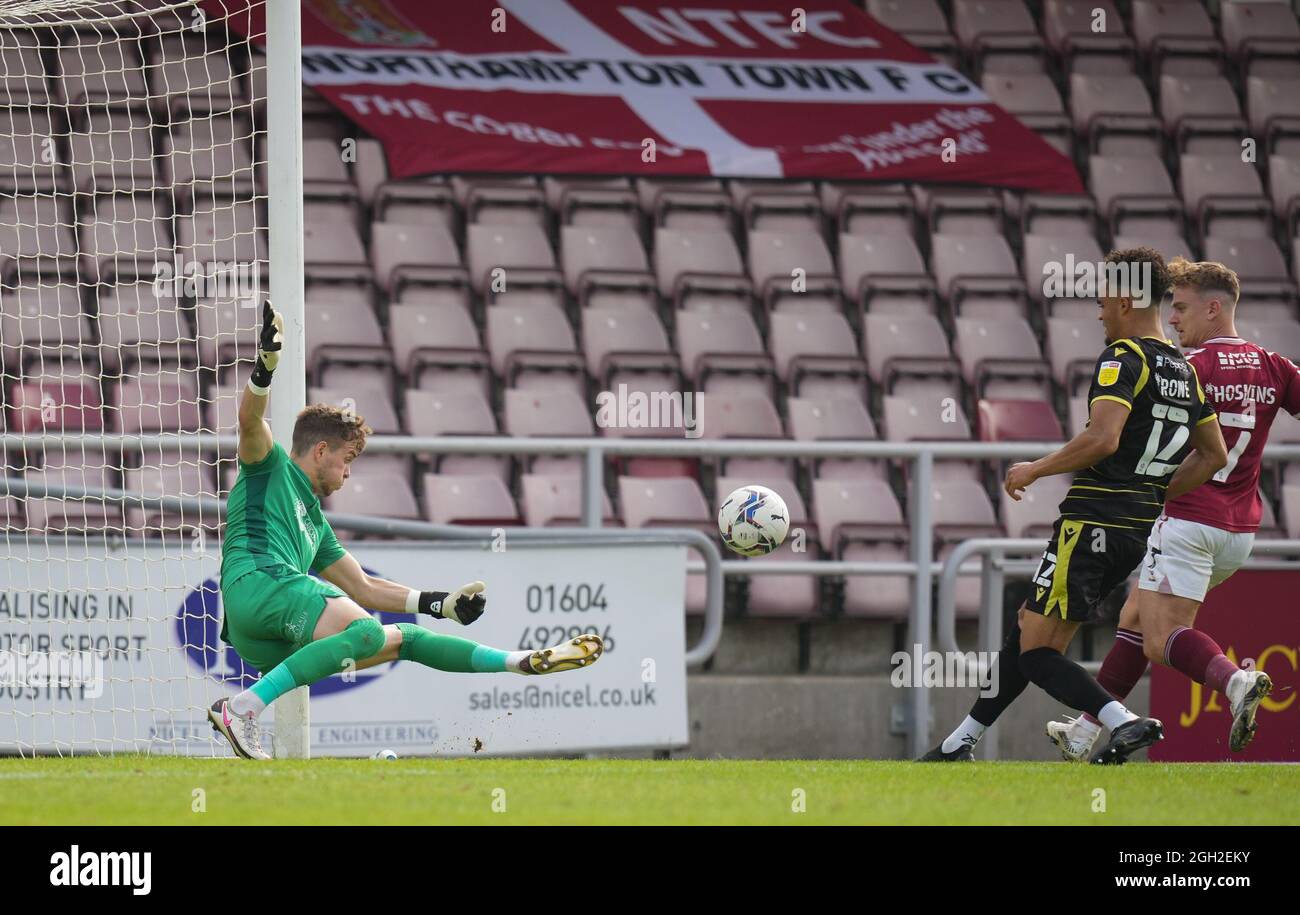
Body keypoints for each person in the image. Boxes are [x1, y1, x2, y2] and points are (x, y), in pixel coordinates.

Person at [209, 303, 602, 760]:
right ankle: (241, 708)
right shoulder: (270, 467)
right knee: (367, 633)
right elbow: (250, 422)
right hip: (256, 586)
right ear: (320, 451)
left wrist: (439, 604)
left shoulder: (315, 525)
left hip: (260, 637)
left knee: (402, 640)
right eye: (347, 460)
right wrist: (265, 369)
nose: (348, 474)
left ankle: (518, 662)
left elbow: (365, 586)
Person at [920, 247, 1226, 764]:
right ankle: (959, 743)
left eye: (1105, 298)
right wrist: (1150, 492)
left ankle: (1123, 722)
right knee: (1029, 630)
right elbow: (1214, 455)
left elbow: (1103, 438)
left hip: (1090, 523)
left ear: (1127, 298)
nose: (1100, 310)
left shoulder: (1123, 358)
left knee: (1039, 651)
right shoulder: (1183, 369)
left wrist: (1034, 469)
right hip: (1132, 530)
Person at [1047, 258, 1286, 760]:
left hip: (1188, 518)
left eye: (1180, 308)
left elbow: (1123, 434)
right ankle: (1086, 731)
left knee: (1160, 638)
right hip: (1240, 530)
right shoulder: (1274, 365)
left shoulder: (1188, 368)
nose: (1172, 319)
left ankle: (1235, 681)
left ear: (1214, 308)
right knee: (1136, 615)